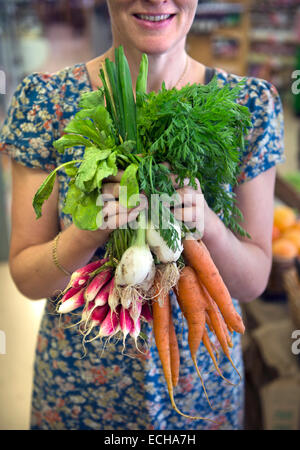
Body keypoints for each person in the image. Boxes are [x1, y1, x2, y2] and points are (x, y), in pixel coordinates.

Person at [0, 1, 284, 430]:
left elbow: (253, 279)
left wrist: (209, 226)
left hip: (201, 391)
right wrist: (86, 234)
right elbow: (26, 277)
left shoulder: (250, 106)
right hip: (80, 393)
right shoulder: (46, 102)